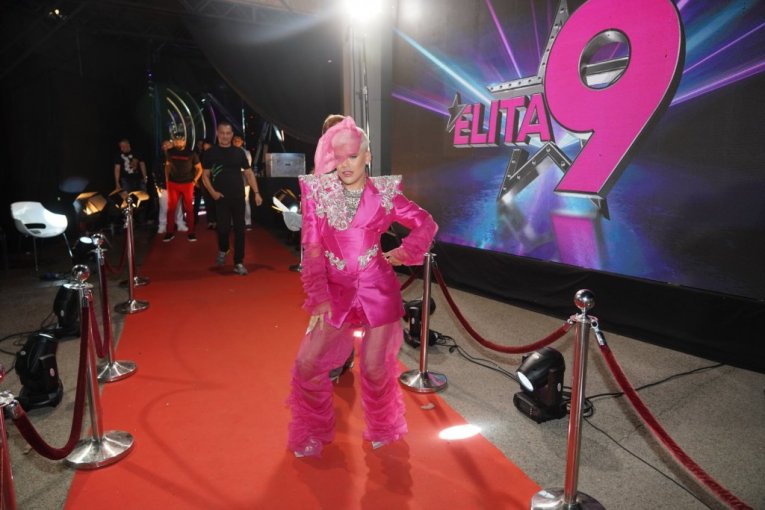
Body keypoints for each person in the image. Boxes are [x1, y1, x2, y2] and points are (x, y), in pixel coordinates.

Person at [287, 116, 438, 458]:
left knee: (373, 367)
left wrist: (403, 254)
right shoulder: (318, 193)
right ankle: (313, 430)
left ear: (367, 156)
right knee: (307, 363)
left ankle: (384, 426)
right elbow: (312, 249)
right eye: (338, 156)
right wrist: (318, 297)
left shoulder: (385, 194)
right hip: (334, 293)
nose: (345, 164)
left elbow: (425, 223)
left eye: (353, 156)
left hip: (378, 289)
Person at [201, 122, 263, 275]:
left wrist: (256, 192)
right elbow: (205, 176)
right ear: (217, 134)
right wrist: (213, 192)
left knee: (240, 229)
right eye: (222, 133)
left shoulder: (239, 152)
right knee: (223, 229)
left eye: (228, 133)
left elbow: (249, 173)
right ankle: (224, 249)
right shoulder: (210, 153)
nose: (225, 136)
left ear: (232, 135)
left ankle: (238, 262)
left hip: (238, 196)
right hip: (220, 198)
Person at [163, 134, 203, 242]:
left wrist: (194, 181)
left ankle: (191, 232)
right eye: (176, 141)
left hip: (187, 184)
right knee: (171, 209)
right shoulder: (170, 152)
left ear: (184, 141)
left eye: (180, 140)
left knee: (189, 209)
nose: (178, 142)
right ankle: (169, 232)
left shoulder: (191, 153)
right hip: (173, 183)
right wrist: (167, 180)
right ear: (174, 142)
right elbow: (167, 166)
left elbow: (200, 169)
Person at [232, 134, 254, 229]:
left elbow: (247, 166)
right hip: (232, 178)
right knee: (232, 200)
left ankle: (247, 222)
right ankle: (233, 222)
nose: (236, 141)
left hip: (243, 177)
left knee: (245, 200)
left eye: (238, 140)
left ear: (242, 141)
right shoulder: (229, 151)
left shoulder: (246, 152)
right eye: (235, 140)